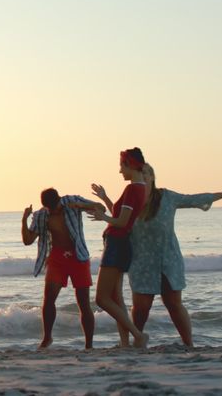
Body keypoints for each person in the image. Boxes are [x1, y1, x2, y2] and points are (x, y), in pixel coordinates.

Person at [94, 164, 222, 347]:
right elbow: (119, 213)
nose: (144, 177)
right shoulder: (133, 197)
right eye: (141, 173)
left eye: (147, 173)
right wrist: (105, 198)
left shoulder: (167, 197)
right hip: (142, 262)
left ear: (152, 177)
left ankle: (189, 344)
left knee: (173, 304)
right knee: (141, 308)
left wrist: (220, 194)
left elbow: (191, 199)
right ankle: (137, 342)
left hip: (168, 259)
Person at [21, 188, 102, 349]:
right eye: (49, 208)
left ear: (60, 199)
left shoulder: (72, 201)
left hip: (78, 256)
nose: (53, 211)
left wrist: (80, 205)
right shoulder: (42, 215)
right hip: (57, 258)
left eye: (55, 206)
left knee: (83, 302)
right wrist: (24, 219)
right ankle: (47, 338)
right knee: (49, 298)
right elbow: (28, 240)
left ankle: (89, 344)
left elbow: (101, 208)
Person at [88, 147, 151, 348]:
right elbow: (121, 213)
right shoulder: (140, 188)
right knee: (116, 298)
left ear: (130, 165)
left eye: (121, 167)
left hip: (117, 244)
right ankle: (125, 343)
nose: (119, 172)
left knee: (101, 299)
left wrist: (103, 217)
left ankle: (137, 335)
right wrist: (104, 198)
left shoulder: (133, 189)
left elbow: (122, 222)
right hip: (120, 244)